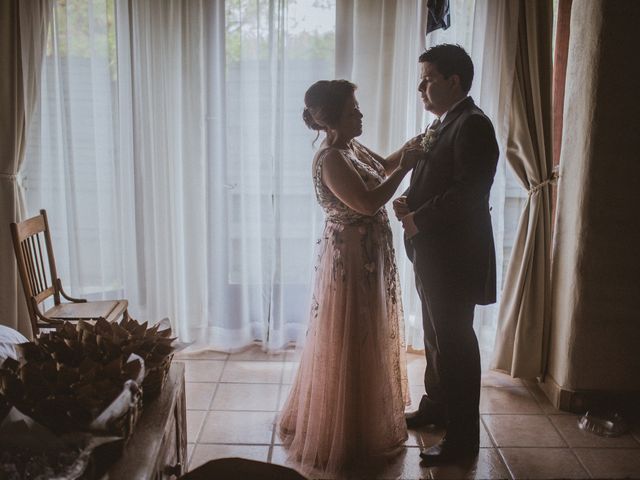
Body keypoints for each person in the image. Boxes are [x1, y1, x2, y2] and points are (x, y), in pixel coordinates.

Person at [278, 79, 422, 476]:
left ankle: (363, 415)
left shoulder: (351, 147)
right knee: (350, 333)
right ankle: (344, 428)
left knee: (369, 331)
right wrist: (407, 169)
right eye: (353, 110)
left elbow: (384, 166)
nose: (361, 114)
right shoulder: (331, 159)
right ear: (334, 119)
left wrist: (407, 152)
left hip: (368, 253)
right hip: (350, 256)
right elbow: (368, 200)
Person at [394, 44, 499, 463]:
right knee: (435, 337)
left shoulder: (473, 124)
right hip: (433, 250)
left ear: (454, 81)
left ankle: (462, 441)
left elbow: (468, 194)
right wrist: (410, 201)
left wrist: (420, 217)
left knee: (456, 344)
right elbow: (438, 180)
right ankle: (436, 407)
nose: (420, 87)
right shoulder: (446, 121)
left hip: (455, 256)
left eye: (428, 78)